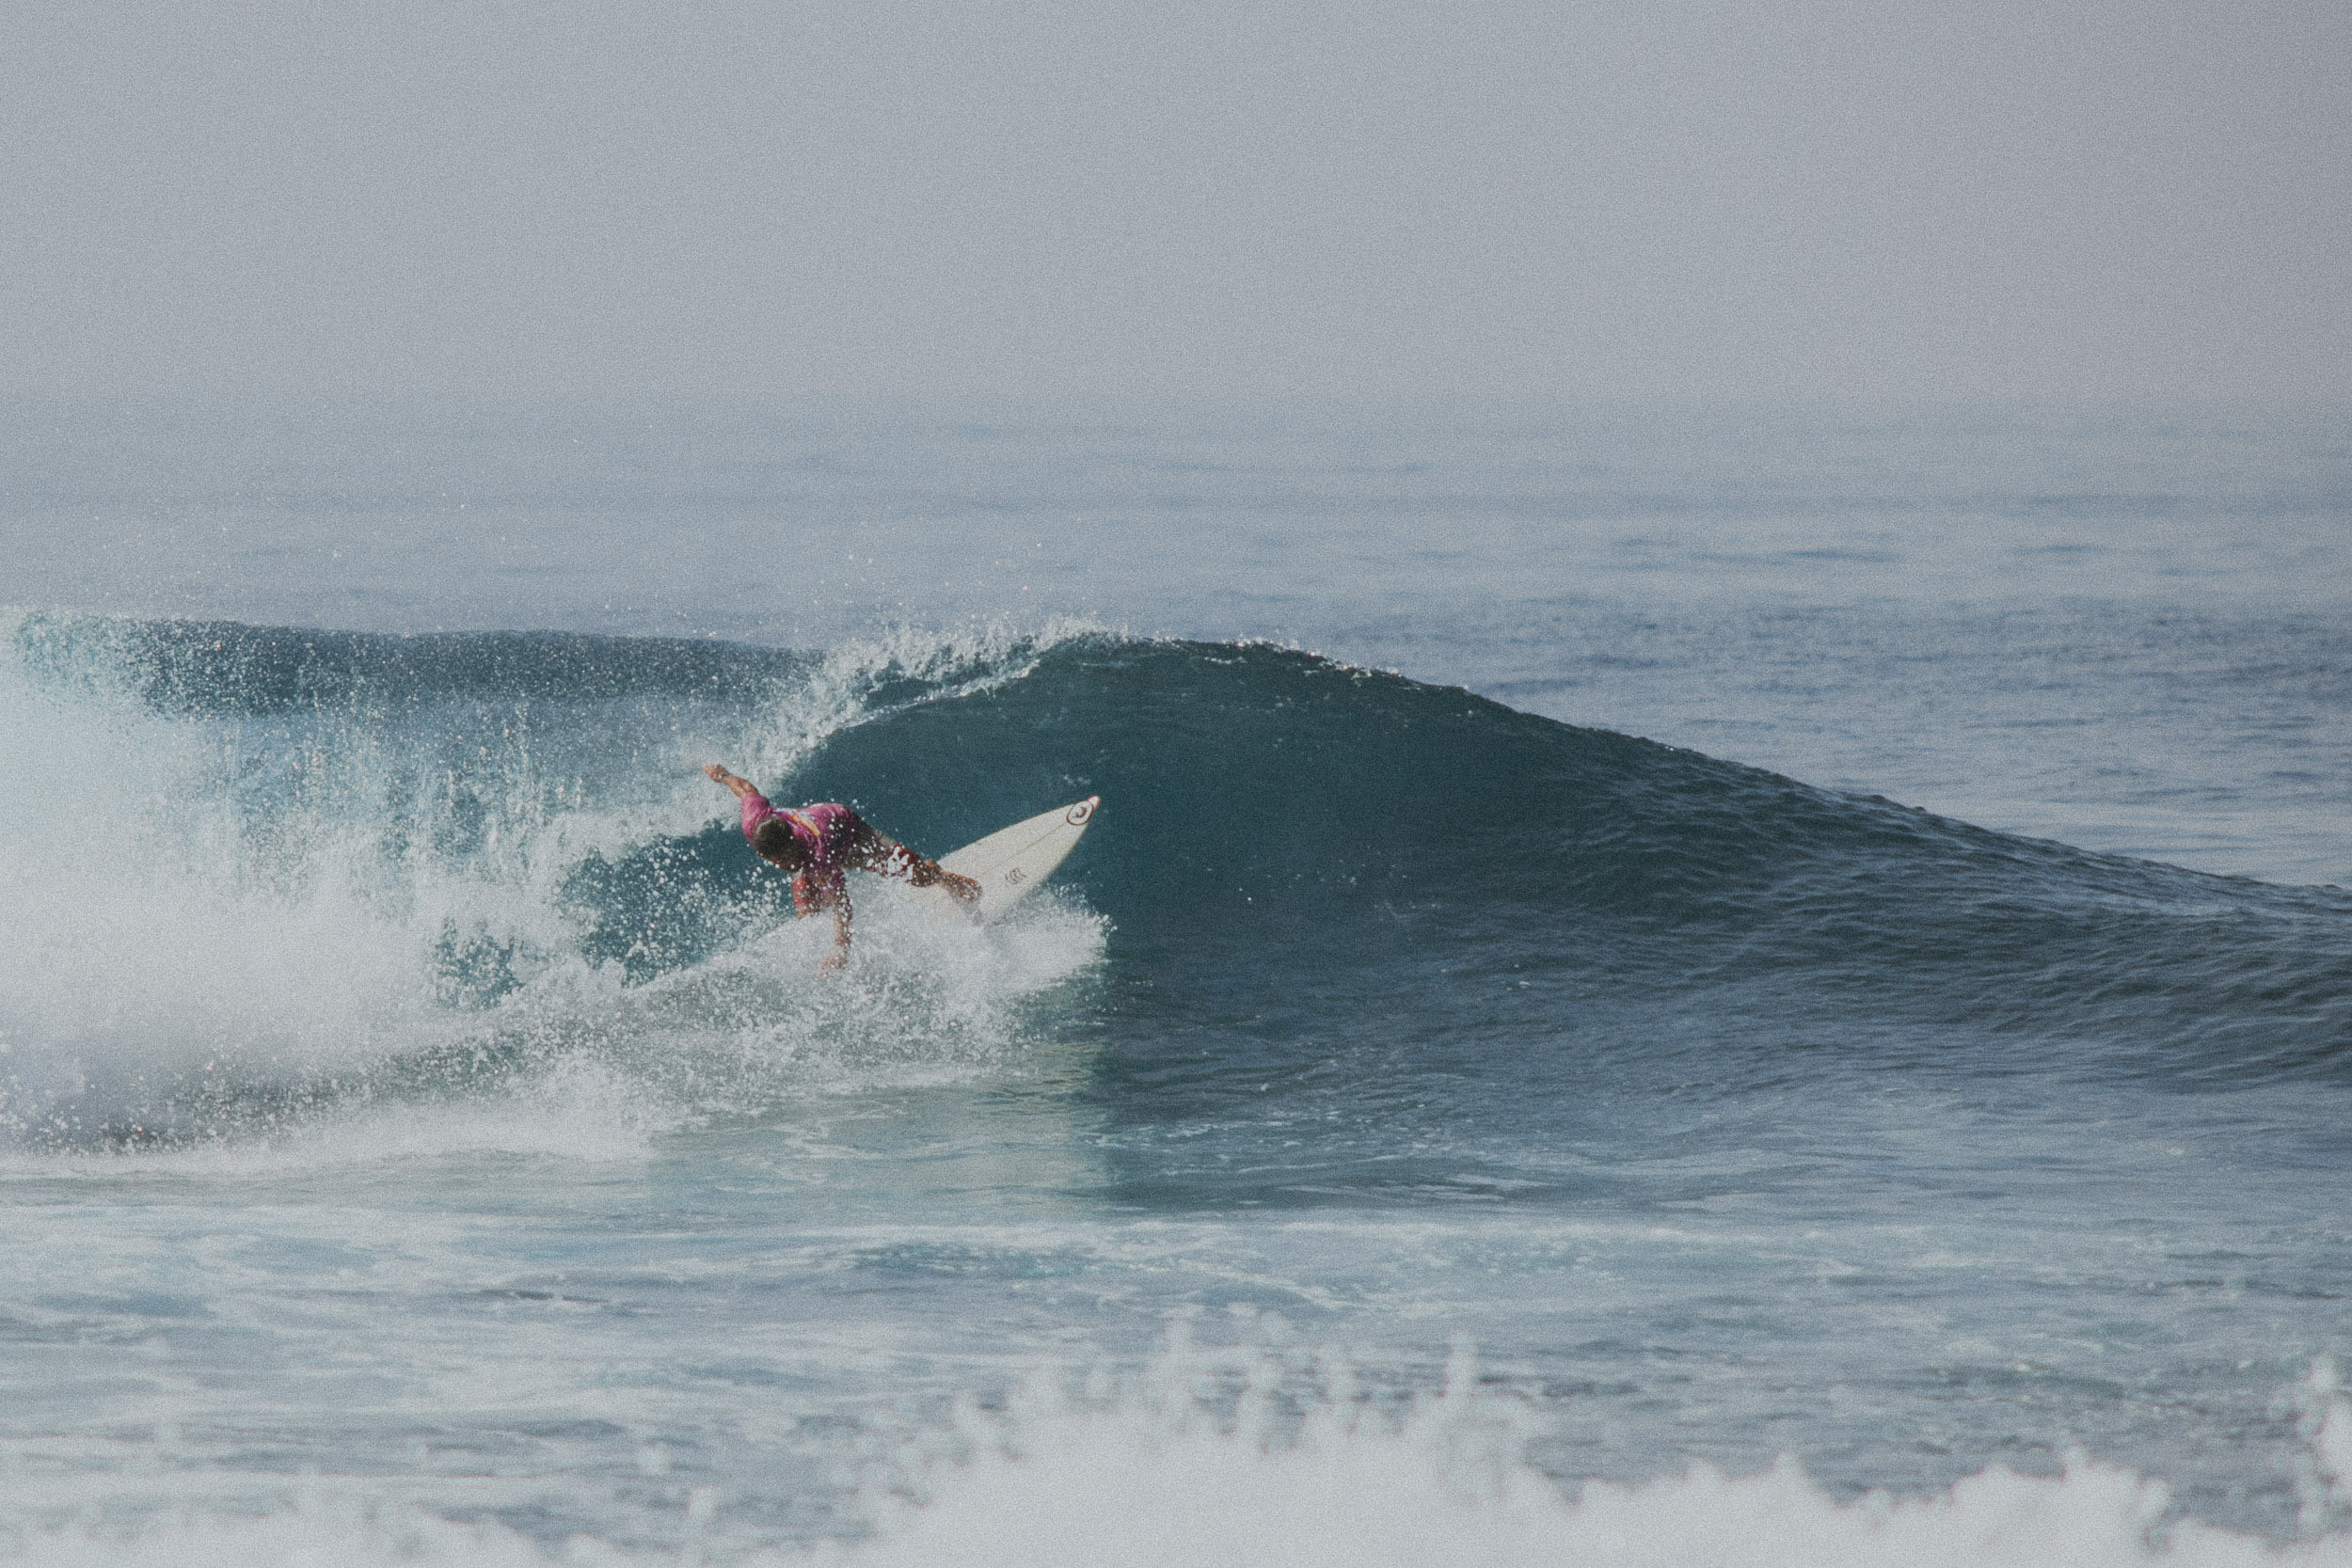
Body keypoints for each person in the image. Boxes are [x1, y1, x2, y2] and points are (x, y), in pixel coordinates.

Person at [703, 764, 980, 973]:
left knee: (914, 874)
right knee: (807, 910)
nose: (777, 866)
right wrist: (723, 775)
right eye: (771, 860)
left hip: (847, 832)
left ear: (791, 847)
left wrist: (841, 950)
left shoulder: (817, 855)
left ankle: (944, 879)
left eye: (782, 860)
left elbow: (842, 904)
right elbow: (746, 789)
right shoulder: (754, 821)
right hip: (812, 834)